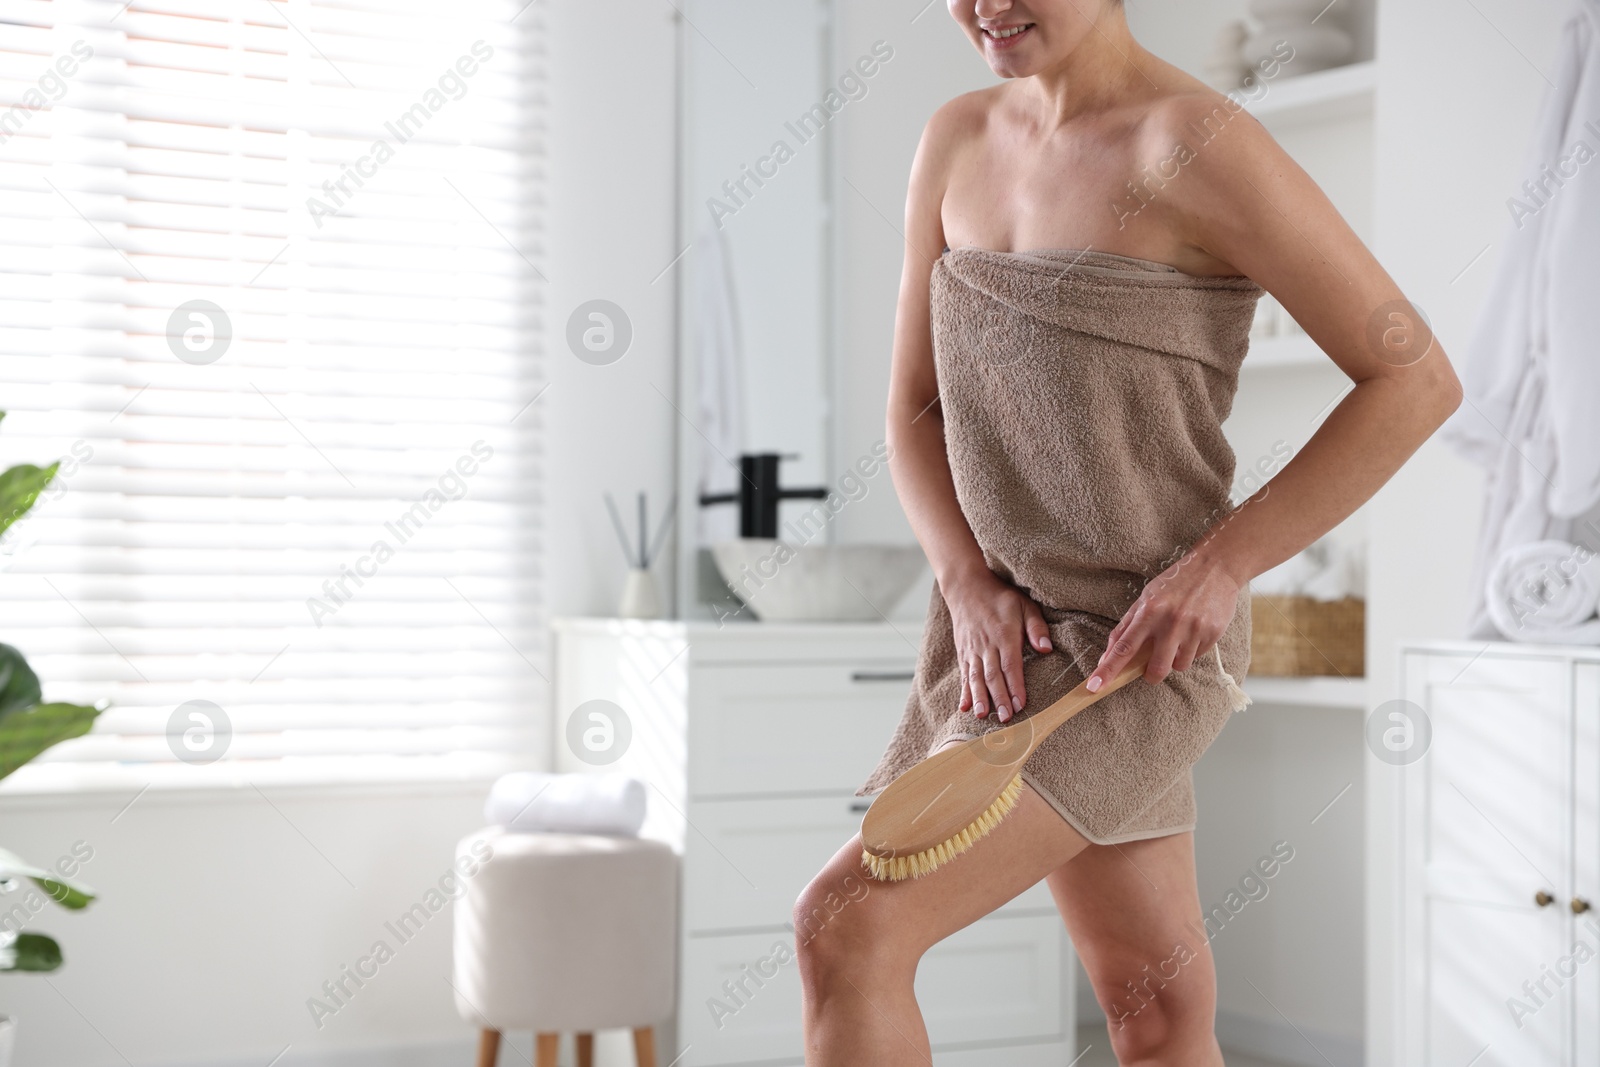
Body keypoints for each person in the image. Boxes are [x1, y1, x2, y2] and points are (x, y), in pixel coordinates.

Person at [793, 1, 1461, 1064]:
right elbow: (911, 409)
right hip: (1003, 643)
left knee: (844, 927)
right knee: (1156, 1014)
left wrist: (1226, 561)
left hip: (1137, 654)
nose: (984, 8)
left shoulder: (1197, 143)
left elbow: (1414, 378)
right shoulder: (956, 137)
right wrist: (965, 580)